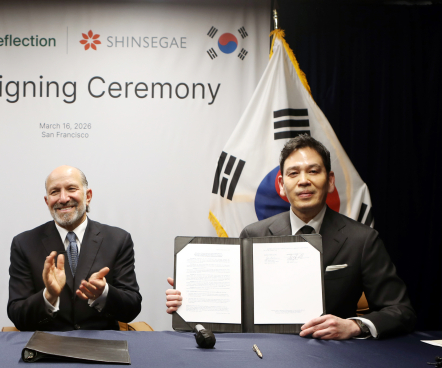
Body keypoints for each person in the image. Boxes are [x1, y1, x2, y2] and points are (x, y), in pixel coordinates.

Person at [166, 135, 416, 339]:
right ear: (281, 185)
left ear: (330, 181)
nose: (304, 181)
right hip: (263, 354)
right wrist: (192, 299)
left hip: (333, 357)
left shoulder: (362, 240)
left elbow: (401, 310)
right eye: (293, 173)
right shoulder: (253, 234)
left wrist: (353, 326)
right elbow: (236, 308)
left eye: (313, 171)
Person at [7, 165, 142, 331]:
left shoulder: (118, 239)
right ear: (47, 201)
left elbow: (132, 308)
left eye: (71, 189)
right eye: (55, 192)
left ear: (88, 196)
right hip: (48, 343)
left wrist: (104, 293)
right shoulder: (24, 243)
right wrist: (49, 296)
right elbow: (17, 314)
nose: (63, 198)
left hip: (101, 343)